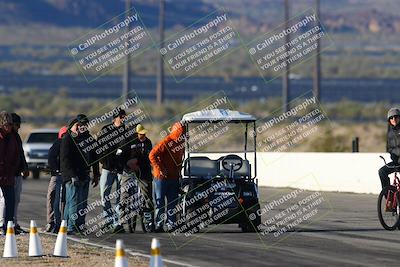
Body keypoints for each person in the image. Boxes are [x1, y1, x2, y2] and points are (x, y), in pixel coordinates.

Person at [60, 115, 100, 234]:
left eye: (84, 124)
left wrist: (96, 173)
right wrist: (72, 175)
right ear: (73, 125)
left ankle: (79, 225)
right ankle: (70, 227)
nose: (81, 127)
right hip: (72, 176)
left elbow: (95, 156)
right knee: (73, 202)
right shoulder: (67, 139)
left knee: (82, 202)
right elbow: (65, 160)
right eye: (79, 124)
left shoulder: (89, 138)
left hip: (84, 174)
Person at [149, 122, 185, 232]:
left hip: (173, 178)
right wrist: (160, 168)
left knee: (172, 203)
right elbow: (152, 155)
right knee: (160, 203)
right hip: (161, 178)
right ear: (176, 133)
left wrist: (179, 174)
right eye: (181, 134)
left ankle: (171, 224)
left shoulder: (181, 143)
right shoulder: (166, 142)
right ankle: (159, 224)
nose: (182, 137)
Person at [119, 124, 154, 232]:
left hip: (144, 172)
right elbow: (120, 156)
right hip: (128, 171)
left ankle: (149, 221)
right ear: (135, 133)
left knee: (147, 195)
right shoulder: (127, 141)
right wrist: (126, 166)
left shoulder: (148, 142)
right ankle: (121, 222)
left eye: (144, 134)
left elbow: (149, 158)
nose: (142, 136)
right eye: (140, 134)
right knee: (124, 195)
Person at [98, 109, 127, 233]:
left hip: (121, 169)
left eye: (124, 116)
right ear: (115, 117)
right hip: (108, 168)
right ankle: (109, 220)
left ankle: (117, 223)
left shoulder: (127, 130)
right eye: (121, 116)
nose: (123, 118)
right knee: (104, 194)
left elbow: (128, 148)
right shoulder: (106, 130)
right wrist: (104, 161)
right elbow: (99, 147)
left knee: (120, 196)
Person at [0, 111, 20, 234]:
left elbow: (16, 154)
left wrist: (13, 168)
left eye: (11, 124)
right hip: (2, 172)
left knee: (11, 201)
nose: (9, 127)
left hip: (8, 174)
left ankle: (8, 226)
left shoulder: (13, 137)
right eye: (6, 124)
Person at [45, 126, 67, 233]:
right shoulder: (57, 144)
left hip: (67, 176)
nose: (64, 137)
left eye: (66, 135)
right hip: (56, 175)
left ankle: (63, 222)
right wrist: (56, 170)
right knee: (52, 196)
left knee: (65, 200)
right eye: (63, 135)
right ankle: (51, 222)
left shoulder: (71, 145)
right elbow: (51, 157)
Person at [10, 113, 29, 234]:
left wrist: (25, 167)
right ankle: (4, 223)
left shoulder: (16, 136)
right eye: (17, 125)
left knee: (16, 200)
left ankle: (14, 222)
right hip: (7, 174)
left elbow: (21, 154)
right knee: (5, 200)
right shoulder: (5, 137)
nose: (19, 127)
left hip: (17, 173)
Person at [379, 108, 400, 191]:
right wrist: (392, 154)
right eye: (391, 118)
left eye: (396, 117)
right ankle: (388, 196)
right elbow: (389, 147)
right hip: (396, 162)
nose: (394, 119)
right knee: (382, 172)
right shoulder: (390, 132)